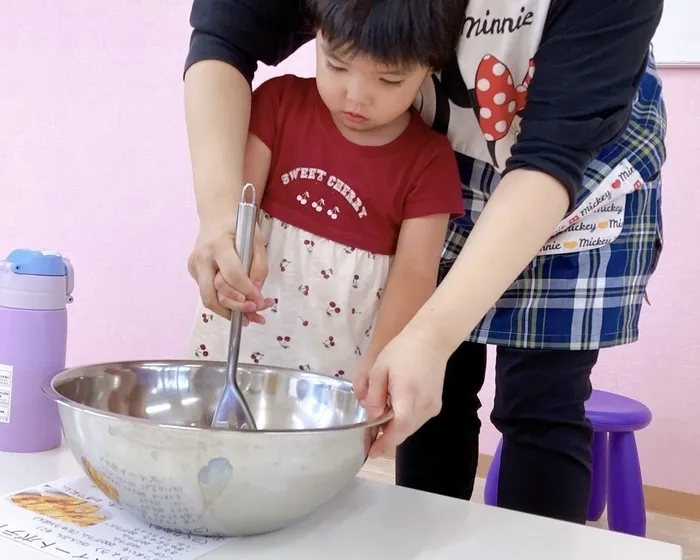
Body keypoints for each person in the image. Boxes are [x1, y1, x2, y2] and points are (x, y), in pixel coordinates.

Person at [183, 0, 666, 525]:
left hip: (575, 171)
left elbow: (550, 159)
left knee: (542, 404)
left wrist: (430, 337)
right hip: (432, 139)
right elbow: (224, 37)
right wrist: (219, 215)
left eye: (387, 77)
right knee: (431, 395)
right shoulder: (402, 136)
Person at [186, 0, 465, 382]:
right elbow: (238, 222)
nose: (356, 96)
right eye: (336, 65)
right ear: (315, 31)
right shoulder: (278, 105)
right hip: (237, 349)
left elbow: (413, 279)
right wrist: (228, 278)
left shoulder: (430, 163)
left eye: (389, 80)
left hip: (340, 372)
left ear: (432, 66)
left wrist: (381, 370)